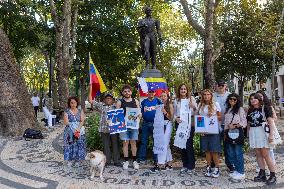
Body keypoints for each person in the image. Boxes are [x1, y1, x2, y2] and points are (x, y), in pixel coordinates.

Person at [247, 93, 277, 185]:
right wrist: (248, 134)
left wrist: (271, 135)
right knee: (258, 154)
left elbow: (271, 122)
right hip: (254, 132)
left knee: (266, 154)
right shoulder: (250, 109)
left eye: (255, 98)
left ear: (260, 99)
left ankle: (273, 175)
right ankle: (262, 173)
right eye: (251, 99)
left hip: (262, 132)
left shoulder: (265, 108)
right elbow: (249, 123)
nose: (253, 100)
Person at [173, 84, 197, 174]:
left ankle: (191, 166)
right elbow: (173, 113)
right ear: (179, 90)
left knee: (189, 144)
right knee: (181, 144)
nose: (183, 90)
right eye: (181, 89)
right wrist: (176, 118)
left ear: (187, 90)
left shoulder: (191, 99)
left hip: (189, 123)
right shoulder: (176, 100)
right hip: (179, 123)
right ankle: (185, 165)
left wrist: (193, 106)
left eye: (184, 89)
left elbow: (197, 111)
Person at [198, 89, 222, 178]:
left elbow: (220, 117)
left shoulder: (216, 105)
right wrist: (200, 130)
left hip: (214, 130)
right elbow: (199, 119)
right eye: (204, 94)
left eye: (208, 94)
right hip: (204, 131)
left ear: (211, 95)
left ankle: (217, 168)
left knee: (214, 150)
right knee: (207, 150)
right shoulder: (200, 105)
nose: (206, 96)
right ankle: (208, 167)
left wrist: (213, 115)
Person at [91, 93, 120, 166]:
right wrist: (91, 88)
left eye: (110, 98)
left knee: (115, 145)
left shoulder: (116, 106)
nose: (108, 99)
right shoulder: (101, 105)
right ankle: (107, 161)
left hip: (114, 129)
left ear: (113, 100)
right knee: (106, 145)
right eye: (107, 98)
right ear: (104, 100)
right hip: (104, 129)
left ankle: (116, 161)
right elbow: (90, 101)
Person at [116, 85, 140, 170]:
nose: (127, 93)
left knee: (133, 143)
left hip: (133, 126)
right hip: (123, 126)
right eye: (125, 91)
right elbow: (117, 114)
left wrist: (139, 116)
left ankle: (134, 161)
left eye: (128, 91)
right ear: (122, 92)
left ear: (131, 92)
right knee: (125, 143)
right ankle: (126, 161)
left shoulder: (135, 101)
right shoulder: (120, 102)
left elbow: (139, 113)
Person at [224, 93, 247, 180]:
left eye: (234, 99)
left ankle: (241, 172)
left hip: (237, 132)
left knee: (238, 152)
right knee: (231, 153)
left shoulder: (240, 109)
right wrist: (225, 134)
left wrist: (235, 125)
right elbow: (226, 124)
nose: (232, 101)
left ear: (237, 100)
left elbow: (244, 122)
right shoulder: (228, 109)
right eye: (230, 99)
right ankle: (236, 170)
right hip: (229, 134)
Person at [150, 90, 173, 172]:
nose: (163, 97)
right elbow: (152, 108)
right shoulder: (160, 105)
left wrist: (165, 113)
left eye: (164, 96)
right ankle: (169, 164)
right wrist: (147, 109)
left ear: (167, 97)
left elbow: (171, 118)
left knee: (163, 143)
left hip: (167, 125)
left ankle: (161, 164)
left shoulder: (169, 105)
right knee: (166, 145)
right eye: (161, 96)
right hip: (160, 126)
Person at [138, 88, 162, 170]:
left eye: (152, 92)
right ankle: (142, 158)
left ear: (154, 93)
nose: (151, 93)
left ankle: (155, 159)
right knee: (144, 141)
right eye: (150, 92)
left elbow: (162, 110)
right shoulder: (144, 102)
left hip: (155, 124)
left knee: (155, 142)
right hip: (145, 123)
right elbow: (141, 112)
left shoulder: (158, 101)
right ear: (147, 93)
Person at [213, 80, 232, 172]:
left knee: (227, 146)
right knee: (215, 145)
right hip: (215, 125)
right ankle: (214, 164)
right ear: (216, 86)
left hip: (227, 125)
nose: (220, 86)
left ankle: (229, 164)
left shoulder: (230, 95)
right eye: (219, 85)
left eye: (222, 85)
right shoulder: (212, 96)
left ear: (225, 85)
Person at [255, 90, 277, 172]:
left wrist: (268, 120)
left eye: (261, 96)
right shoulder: (256, 107)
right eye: (257, 96)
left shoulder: (268, 106)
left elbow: (275, 118)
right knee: (260, 151)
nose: (259, 98)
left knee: (269, 151)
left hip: (267, 130)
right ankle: (261, 167)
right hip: (259, 132)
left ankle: (272, 169)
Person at [63, 96, 86, 167]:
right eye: (71, 103)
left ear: (77, 103)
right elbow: (66, 122)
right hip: (69, 131)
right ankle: (70, 160)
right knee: (70, 145)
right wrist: (73, 128)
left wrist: (78, 129)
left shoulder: (80, 111)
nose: (73, 104)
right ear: (69, 103)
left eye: (74, 103)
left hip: (79, 130)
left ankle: (78, 160)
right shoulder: (66, 111)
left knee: (79, 145)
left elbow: (82, 121)